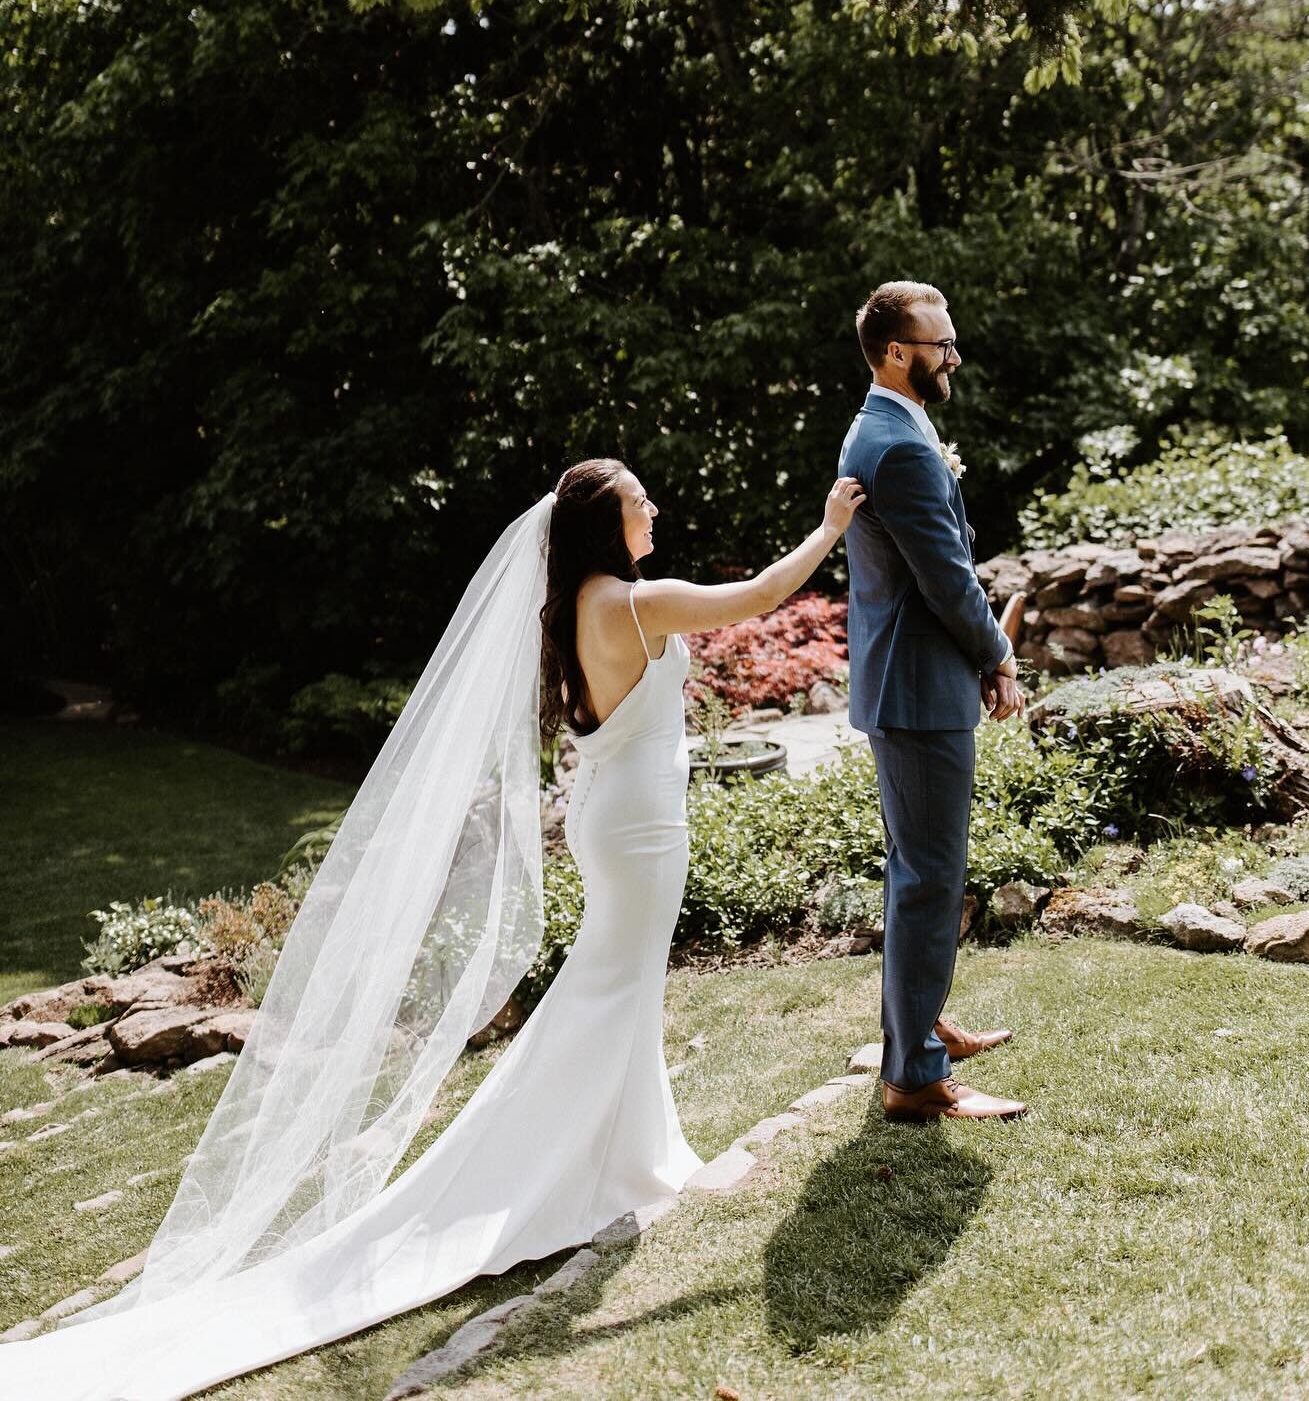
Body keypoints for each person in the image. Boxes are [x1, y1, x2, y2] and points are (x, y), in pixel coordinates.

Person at [0, 461, 865, 1400]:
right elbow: (762, 594)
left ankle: (636, 1156)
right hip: (640, 828)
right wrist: (829, 527)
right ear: (602, 526)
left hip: (618, 812)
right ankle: (561, 1167)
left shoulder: (576, 601)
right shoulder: (632, 601)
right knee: (608, 987)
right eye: (637, 500)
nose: (654, 506)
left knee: (618, 985)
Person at [840, 280, 1029, 1124]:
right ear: (894, 352)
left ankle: (920, 1027)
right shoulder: (900, 444)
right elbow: (947, 578)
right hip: (920, 690)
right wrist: (999, 655)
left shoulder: (892, 425)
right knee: (929, 879)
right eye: (938, 342)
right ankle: (914, 1074)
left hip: (911, 684)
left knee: (916, 874)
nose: (953, 355)